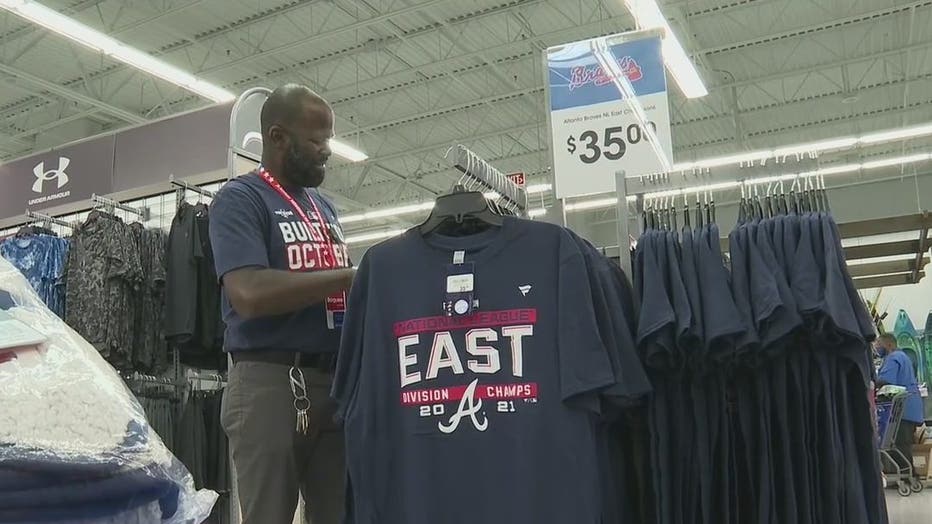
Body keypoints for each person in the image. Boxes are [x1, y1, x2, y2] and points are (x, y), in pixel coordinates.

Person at [209, 84, 355, 524]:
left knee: (341, 514)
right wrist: (353, 277)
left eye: (328, 139)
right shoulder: (240, 199)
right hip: (269, 383)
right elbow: (248, 293)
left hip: (333, 381)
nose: (327, 151)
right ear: (277, 138)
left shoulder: (324, 208)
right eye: (316, 140)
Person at [876, 333, 924, 479]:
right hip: (910, 407)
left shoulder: (893, 358)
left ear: (889, 345)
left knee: (900, 444)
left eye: (879, 344)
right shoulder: (903, 357)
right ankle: (906, 474)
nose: (877, 348)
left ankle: (907, 475)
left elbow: (885, 381)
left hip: (902, 409)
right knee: (903, 444)